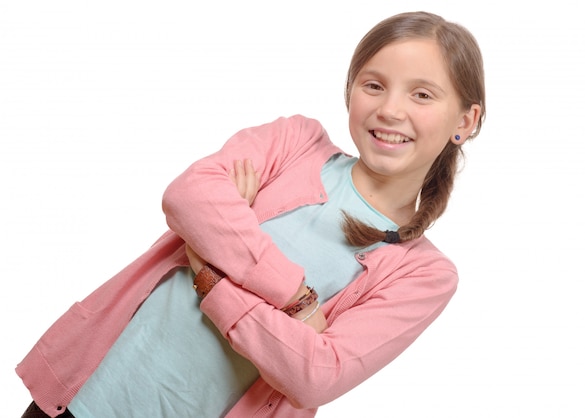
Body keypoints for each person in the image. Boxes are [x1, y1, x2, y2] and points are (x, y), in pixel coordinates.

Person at [17, 10, 486, 418]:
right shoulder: (297, 142)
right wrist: (296, 299)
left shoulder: (425, 274)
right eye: (374, 85)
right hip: (84, 395)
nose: (390, 109)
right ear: (351, 91)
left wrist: (210, 270)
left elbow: (313, 376)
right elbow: (187, 197)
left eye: (422, 95)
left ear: (465, 121)